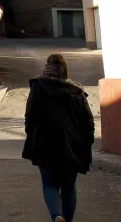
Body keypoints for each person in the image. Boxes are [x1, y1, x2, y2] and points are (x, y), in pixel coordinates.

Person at [22, 53, 95, 222]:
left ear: (47, 67)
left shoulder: (38, 87)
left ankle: (56, 215)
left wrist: (32, 135)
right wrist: (86, 143)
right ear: (65, 70)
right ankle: (66, 220)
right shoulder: (76, 90)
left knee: (49, 184)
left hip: (44, 142)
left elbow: (30, 115)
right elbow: (87, 121)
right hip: (71, 145)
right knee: (69, 185)